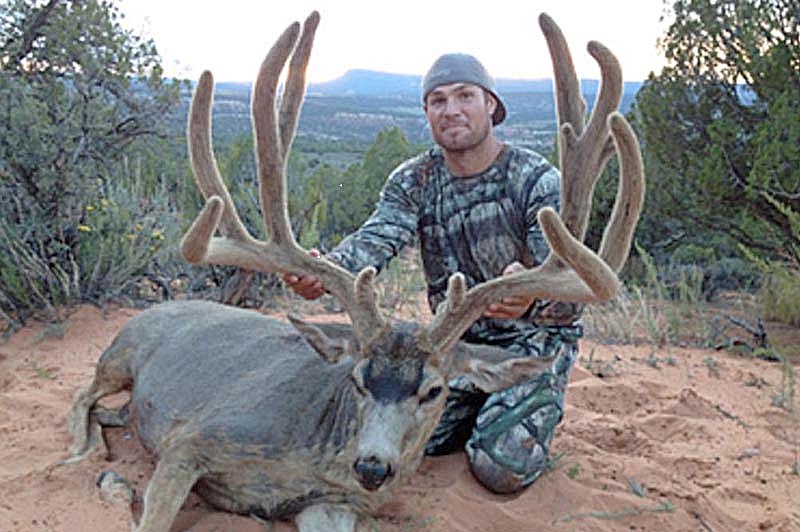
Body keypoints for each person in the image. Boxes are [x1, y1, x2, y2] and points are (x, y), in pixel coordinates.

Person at [284, 53, 582, 494]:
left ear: (492, 106)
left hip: (532, 341)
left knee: (500, 466)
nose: (452, 110)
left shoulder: (535, 180)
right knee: (416, 441)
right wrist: (327, 271)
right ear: (426, 113)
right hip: (448, 347)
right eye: (438, 101)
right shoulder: (414, 180)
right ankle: (480, 413)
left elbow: (573, 282)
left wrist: (532, 293)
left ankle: (516, 412)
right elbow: (376, 239)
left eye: (466, 96)